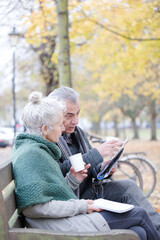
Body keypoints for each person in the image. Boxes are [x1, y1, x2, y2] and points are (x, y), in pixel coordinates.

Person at [11, 91, 160, 240]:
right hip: (59, 223)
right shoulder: (33, 154)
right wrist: (83, 206)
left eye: (77, 114)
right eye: (62, 122)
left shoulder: (39, 148)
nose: (64, 128)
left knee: (138, 232)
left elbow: (54, 190)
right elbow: (34, 208)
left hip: (66, 213)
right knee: (138, 215)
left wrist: (76, 178)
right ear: (45, 129)